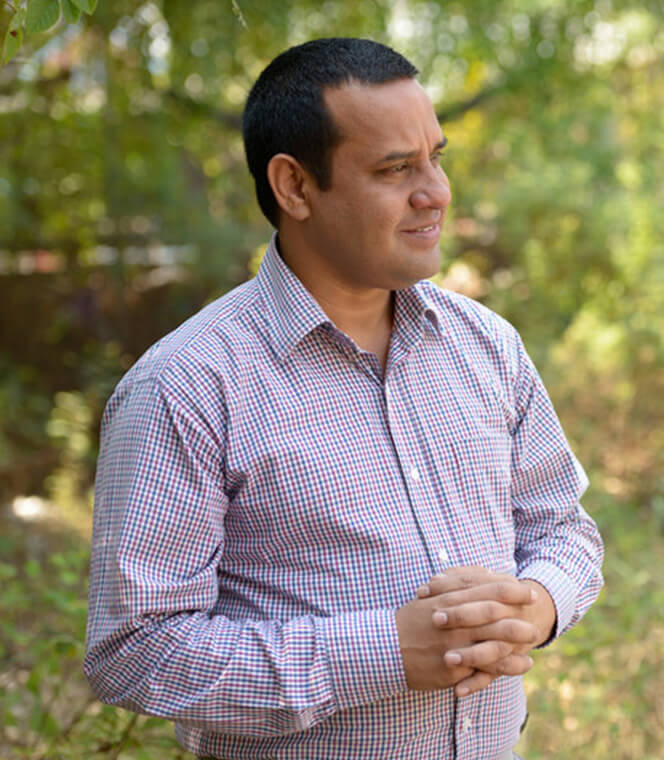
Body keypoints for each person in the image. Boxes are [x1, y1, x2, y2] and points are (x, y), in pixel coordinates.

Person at [83, 37, 604, 760]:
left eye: (436, 158)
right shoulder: (186, 387)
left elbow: (563, 530)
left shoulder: (487, 345)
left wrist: (538, 603)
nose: (436, 193)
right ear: (294, 187)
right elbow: (134, 650)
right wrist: (385, 652)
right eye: (396, 168)